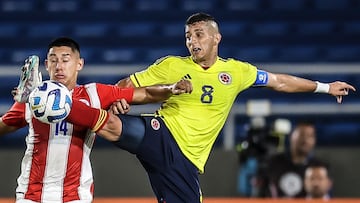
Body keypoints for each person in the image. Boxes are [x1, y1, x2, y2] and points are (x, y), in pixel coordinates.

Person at [14, 13, 355, 202]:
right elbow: (124, 86)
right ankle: (51, 100)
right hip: (161, 134)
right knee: (113, 125)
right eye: (188, 35)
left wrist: (324, 87)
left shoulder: (237, 71)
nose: (192, 41)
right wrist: (118, 99)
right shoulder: (171, 64)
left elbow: (280, 80)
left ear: (216, 38)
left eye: (199, 34)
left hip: (189, 161)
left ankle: (54, 102)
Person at [0, 37, 192, 203]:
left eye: (65, 60)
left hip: (75, 195)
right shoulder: (32, 98)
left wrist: (171, 89)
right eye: (53, 60)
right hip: (31, 194)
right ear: (47, 64)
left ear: (79, 64)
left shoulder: (95, 94)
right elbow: (3, 126)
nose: (59, 66)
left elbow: (142, 93)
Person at [258, 121, 325, 198]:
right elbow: (261, 193)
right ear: (291, 136)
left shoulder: (319, 167)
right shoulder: (273, 163)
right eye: (302, 135)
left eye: (310, 136)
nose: (305, 140)